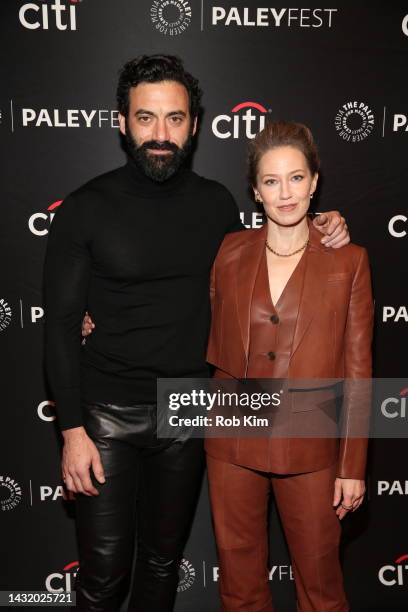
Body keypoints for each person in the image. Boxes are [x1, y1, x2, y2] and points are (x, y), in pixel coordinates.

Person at [44, 54, 350, 612]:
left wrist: (325, 226)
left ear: (193, 124)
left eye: (175, 119)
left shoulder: (216, 206)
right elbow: (61, 326)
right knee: (104, 578)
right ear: (122, 122)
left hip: (190, 411)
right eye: (145, 118)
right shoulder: (85, 208)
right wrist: (71, 430)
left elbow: (267, 265)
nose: (161, 135)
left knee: (162, 565)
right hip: (108, 414)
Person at [204, 120, 374, 611]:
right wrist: (96, 318)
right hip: (231, 439)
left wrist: (352, 465)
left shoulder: (350, 262)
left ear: (315, 182)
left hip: (313, 446)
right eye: (272, 181)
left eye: (297, 178)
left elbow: (359, 370)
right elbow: (187, 314)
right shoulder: (229, 251)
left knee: (321, 586)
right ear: (255, 190)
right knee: (240, 586)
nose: (286, 193)